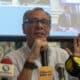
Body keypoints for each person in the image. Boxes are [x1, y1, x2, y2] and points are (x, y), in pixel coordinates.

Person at [1, 7, 80, 80]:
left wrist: (77, 65)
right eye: (33, 21)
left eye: (44, 22)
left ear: (49, 29)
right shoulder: (9, 59)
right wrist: (32, 57)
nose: (39, 26)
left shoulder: (62, 55)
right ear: (24, 28)